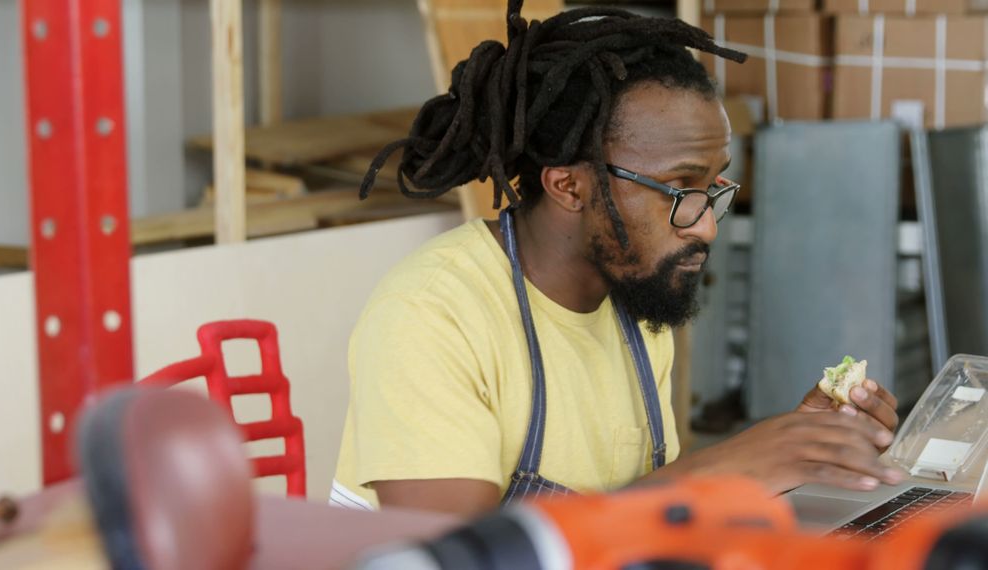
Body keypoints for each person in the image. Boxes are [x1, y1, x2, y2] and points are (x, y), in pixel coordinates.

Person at [330, 0, 903, 516]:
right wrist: (730, 466)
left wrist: (791, 454)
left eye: (714, 189)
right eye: (679, 191)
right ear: (568, 187)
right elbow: (462, 558)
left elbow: (645, 518)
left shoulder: (633, 303)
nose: (705, 224)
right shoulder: (433, 315)